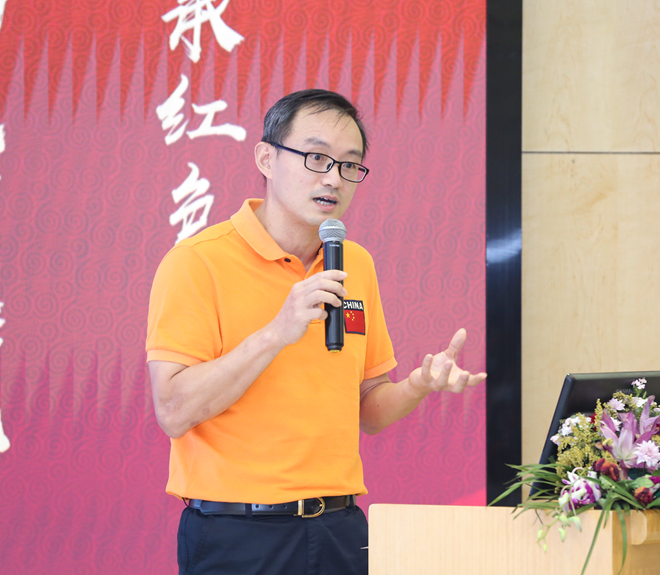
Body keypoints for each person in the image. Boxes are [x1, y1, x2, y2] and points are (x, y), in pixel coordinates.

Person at [146, 89, 486, 575]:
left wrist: (418, 385)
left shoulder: (354, 264)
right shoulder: (197, 262)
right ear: (266, 158)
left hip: (338, 529)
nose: (333, 178)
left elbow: (369, 411)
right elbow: (173, 411)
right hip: (238, 534)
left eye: (349, 164)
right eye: (316, 158)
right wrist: (276, 332)